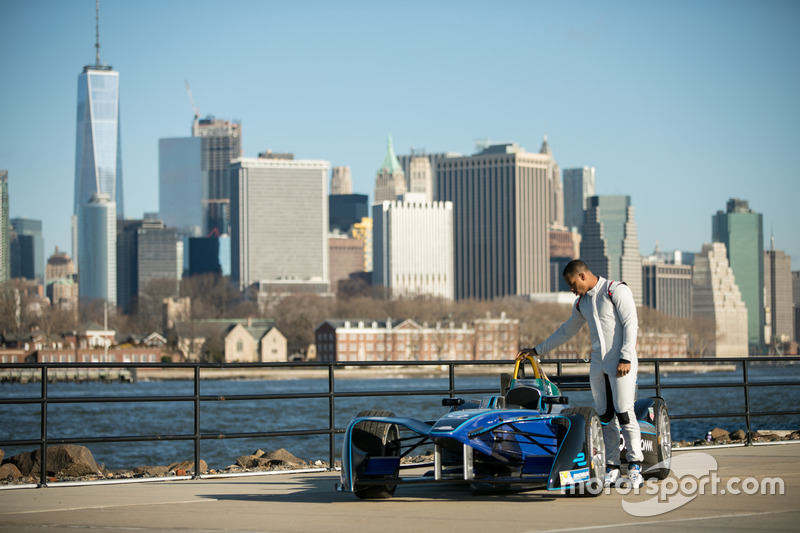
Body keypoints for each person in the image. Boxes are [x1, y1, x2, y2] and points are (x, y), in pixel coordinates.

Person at [518, 259, 644, 488]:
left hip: (621, 359)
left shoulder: (616, 290)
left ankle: (635, 466)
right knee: (605, 416)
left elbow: (630, 323)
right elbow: (567, 331)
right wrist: (537, 350)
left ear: (583, 276)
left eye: (572, 283)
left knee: (625, 412)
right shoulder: (581, 304)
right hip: (599, 362)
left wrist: (626, 356)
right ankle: (613, 467)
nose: (571, 289)